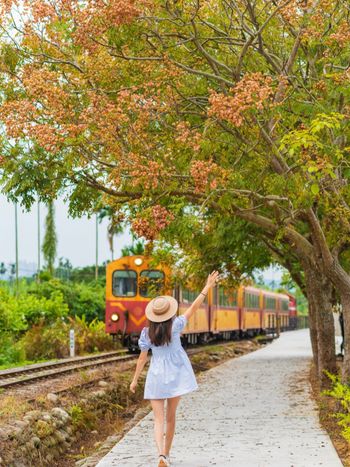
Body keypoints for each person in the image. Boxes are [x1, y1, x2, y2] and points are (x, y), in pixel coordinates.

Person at [129, 270, 220, 467]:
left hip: (156, 375)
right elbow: (194, 307)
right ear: (169, 312)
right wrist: (207, 286)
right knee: (170, 418)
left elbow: (142, 358)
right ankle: (167, 455)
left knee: (157, 420)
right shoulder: (176, 325)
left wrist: (135, 379)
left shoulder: (146, 333)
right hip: (176, 374)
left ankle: (160, 454)